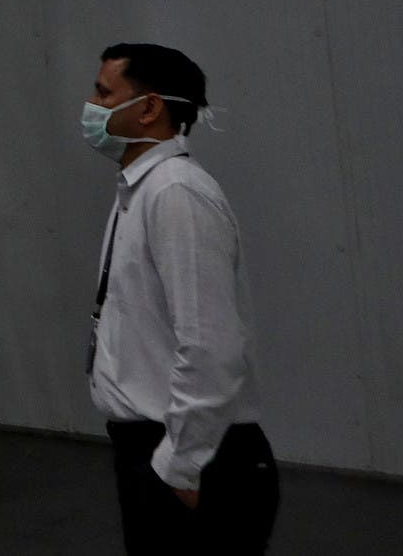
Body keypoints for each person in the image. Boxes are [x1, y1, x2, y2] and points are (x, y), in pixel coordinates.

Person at [83, 42, 279, 553]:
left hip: (195, 456)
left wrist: (179, 464)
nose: (91, 105)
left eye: (104, 93)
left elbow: (211, 346)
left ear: (149, 108)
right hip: (159, 448)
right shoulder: (141, 191)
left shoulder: (175, 195)